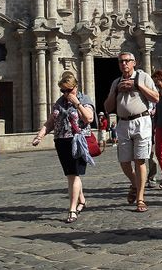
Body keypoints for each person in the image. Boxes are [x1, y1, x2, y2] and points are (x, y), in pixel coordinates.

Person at [32, 72, 95, 223]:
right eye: (63, 90)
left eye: (69, 90)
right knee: (71, 174)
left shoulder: (84, 99)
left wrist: (77, 103)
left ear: (75, 86)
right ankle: (82, 201)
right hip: (61, 141)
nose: (66, 93)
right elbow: (50, 122)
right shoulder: (59, 102)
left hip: (78, 140)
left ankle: (72, 209)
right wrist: (40, 136)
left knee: (74, 174)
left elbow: (89, 118)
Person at [104, 51, 159, 213]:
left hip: (141, 121)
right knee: (124, 161)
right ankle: (135, 184)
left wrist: (137, 86)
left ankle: (140, 198)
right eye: (121, 62)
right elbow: (107, 108)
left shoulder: (143, 77)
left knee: (140, 160)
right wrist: (116, 92)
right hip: (122, 124)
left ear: (134, 63)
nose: (124, 64)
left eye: (127, 61)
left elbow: (156, 98)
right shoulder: (116, 82)